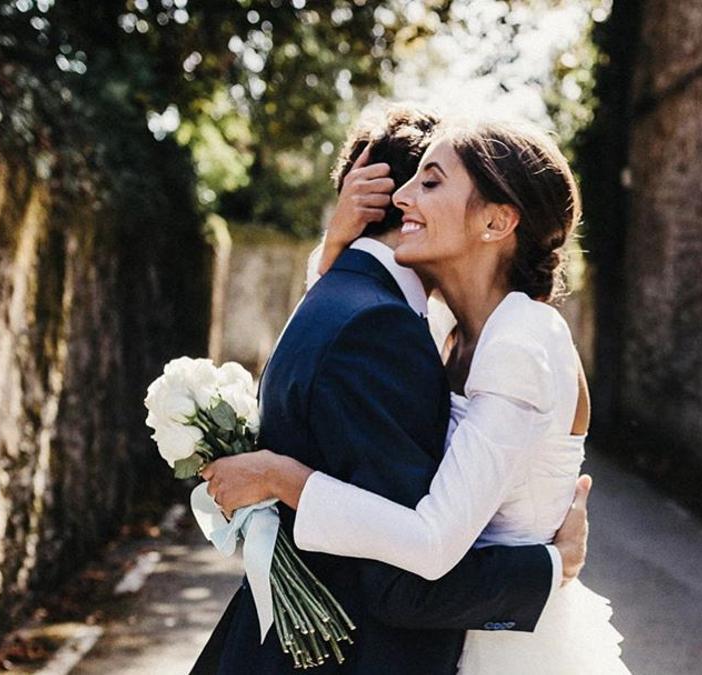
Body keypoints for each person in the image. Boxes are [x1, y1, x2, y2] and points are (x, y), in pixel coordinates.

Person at [203, 115, 630, 673]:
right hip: (467, 628)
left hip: (506, 646)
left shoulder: (522, 340)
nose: (403, 197)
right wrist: (336, 248)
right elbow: (346, 369)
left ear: (498, 221)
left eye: (430, 183)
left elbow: (431, 542)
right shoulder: (450, 335)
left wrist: (277, 477)